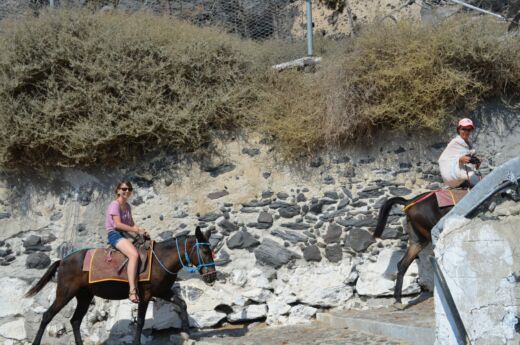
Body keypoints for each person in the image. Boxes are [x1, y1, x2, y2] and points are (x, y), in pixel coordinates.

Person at [105, 181, 148, 303]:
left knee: (146, 248)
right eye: (124, 189)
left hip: (125, 234)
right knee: (134, 255)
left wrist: (140, 230)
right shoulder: (115, 204)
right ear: (118, 190)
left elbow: (131, 223)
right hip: (115, 234)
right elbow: (117, 225)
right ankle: (132, 291)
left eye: (129, 189)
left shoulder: (127, 206)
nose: (127, 191)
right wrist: (134, 230)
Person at [438, 118, 482, 188]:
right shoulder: (454, 143)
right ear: (459, 129)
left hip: (463, 175)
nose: (466, 132)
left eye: (469, 130)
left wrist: (477, 163)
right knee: (477, 179)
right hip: (453, 177)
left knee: (478, 176)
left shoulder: (469, 145)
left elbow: (473, 167)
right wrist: (459, 160)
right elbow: (443, 160)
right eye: (464, 129)